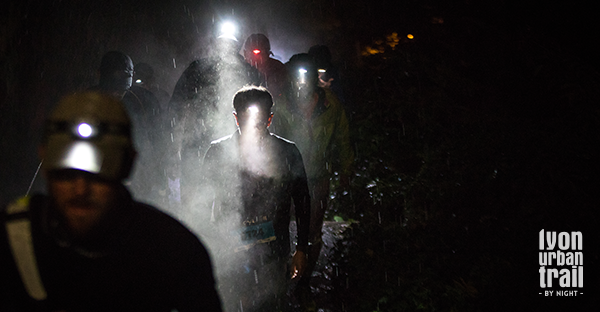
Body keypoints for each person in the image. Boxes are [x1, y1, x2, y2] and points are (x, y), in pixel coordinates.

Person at [0, 91, 222, 312]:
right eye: (67, 173)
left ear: (127, 165)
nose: (80, 189)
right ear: (45, 163)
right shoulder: (13, 242)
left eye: (99, 173)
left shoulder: (174, 254)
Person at [201, 86, 311, 312]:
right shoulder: (218, 153)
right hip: (230, 252)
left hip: (274, 252)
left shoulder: (287, 152)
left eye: (259, 122)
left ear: (270, 119)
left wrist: (301, 249)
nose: (252, 128)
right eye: (245, 120)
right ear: (235, 118)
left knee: (271, 305)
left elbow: (302, 202)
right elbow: (202, 203)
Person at [279, 53, 354, 307]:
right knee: (279, 230)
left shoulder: (331, 106)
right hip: (287, 180)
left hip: (318, 178)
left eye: (305, 74)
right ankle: (279, 279)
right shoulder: (281, 105)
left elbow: (343, 139)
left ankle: (303, 282)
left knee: (311, 233)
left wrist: (346, 170)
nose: (300, 80)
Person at [167, 22, 262, 213]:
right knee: (204, 200)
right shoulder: (198, 69)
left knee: (229, 202)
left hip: (230, 147)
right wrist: (174, 148)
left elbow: (261, 112)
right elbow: (176, 109)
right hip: (201, 145)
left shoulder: (248, 72)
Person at [88, 51, 163, 207]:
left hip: (135, 173)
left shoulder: (144, 102)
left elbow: (158, 141)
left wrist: (157, 174)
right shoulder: (86, 100)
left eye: (120, 90)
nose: (116, 94)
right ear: (99, 75)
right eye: (111, 89)